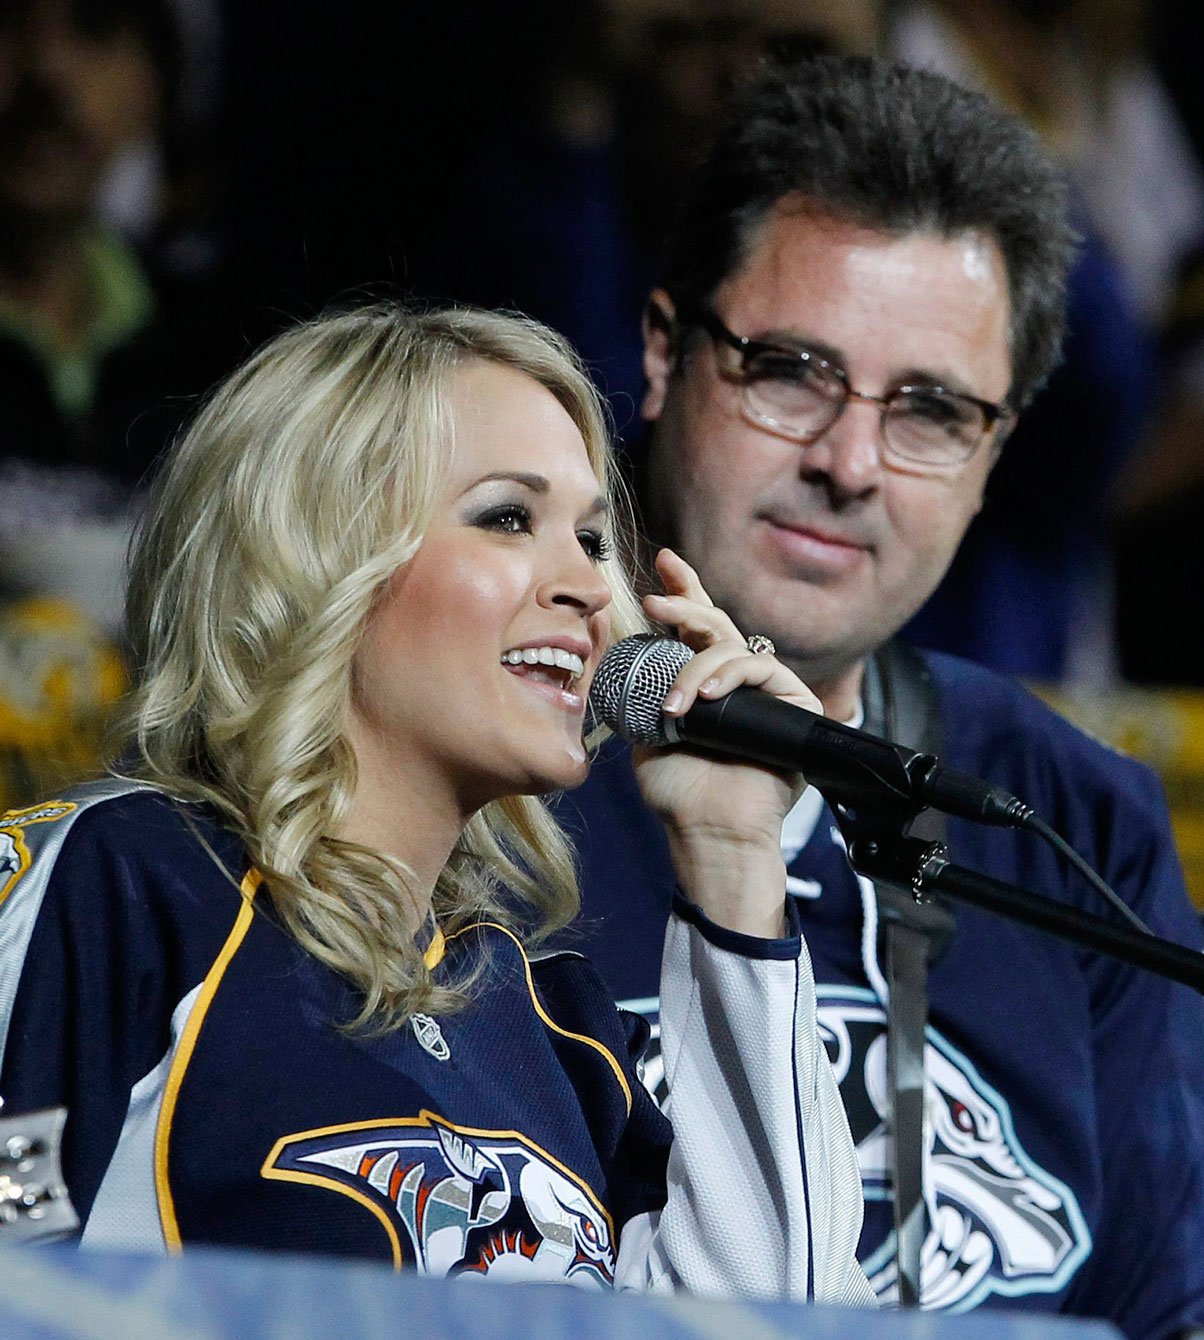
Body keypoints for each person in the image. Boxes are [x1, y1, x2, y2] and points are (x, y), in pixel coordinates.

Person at [0, 303, 874, 1305]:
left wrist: (732, 853)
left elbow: (778, 1319)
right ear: (314, 553)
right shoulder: (118, 882)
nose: (592, 587)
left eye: (592, 537)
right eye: (507, 517)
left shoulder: (562, 1032)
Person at [554, 53, 1204, 1336]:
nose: (848, 462)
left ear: (993, 452)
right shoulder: (468, 750)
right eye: (791, 369)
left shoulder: (1074, 817)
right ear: (662, 353)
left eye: (930, 410)